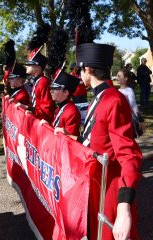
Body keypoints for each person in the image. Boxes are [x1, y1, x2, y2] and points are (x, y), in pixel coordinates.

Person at [55, 43, 142, 240]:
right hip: (94, 184)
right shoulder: (100, 97)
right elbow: (98, 140)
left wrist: (123, 207)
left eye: (79, 70)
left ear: (88, 69)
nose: (78, 75)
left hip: (109, 188)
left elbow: (128, 155)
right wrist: (70, 137)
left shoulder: (113, 99)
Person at [25, 52, 55, 123]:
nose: (26, 66)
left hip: (42, 121)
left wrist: (31, 110)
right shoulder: (38, 81)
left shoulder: (43, 82)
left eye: (30, 64)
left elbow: (46, 108)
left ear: (38, 68)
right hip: (37, 118)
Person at [50, 69, 81, 136]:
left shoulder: (71, 112)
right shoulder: (60, 108)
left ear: (65, 92)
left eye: (55, 88)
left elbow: (69, 140)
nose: (51, 91)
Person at [117, 69, 144, 138]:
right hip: (120, 120)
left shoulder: (129, 90)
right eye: (117, 76)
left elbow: (134, 105)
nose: (117, 78)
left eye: (119, 76)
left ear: (126, 78)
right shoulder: (117, 91)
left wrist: (140, 119)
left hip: (128, 120)